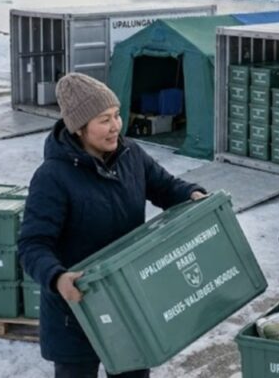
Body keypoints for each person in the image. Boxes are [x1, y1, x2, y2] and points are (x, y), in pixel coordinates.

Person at [18, 73, 206, 378]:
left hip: (128, 301)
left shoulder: (131, 154)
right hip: (75, 312)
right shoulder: (52, 177)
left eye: (117, 115)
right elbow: (32, 244)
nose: (116, 126)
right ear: (79, 128)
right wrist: (57, 277)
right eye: (104, 120)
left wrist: (191, 193)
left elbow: (165, 187)